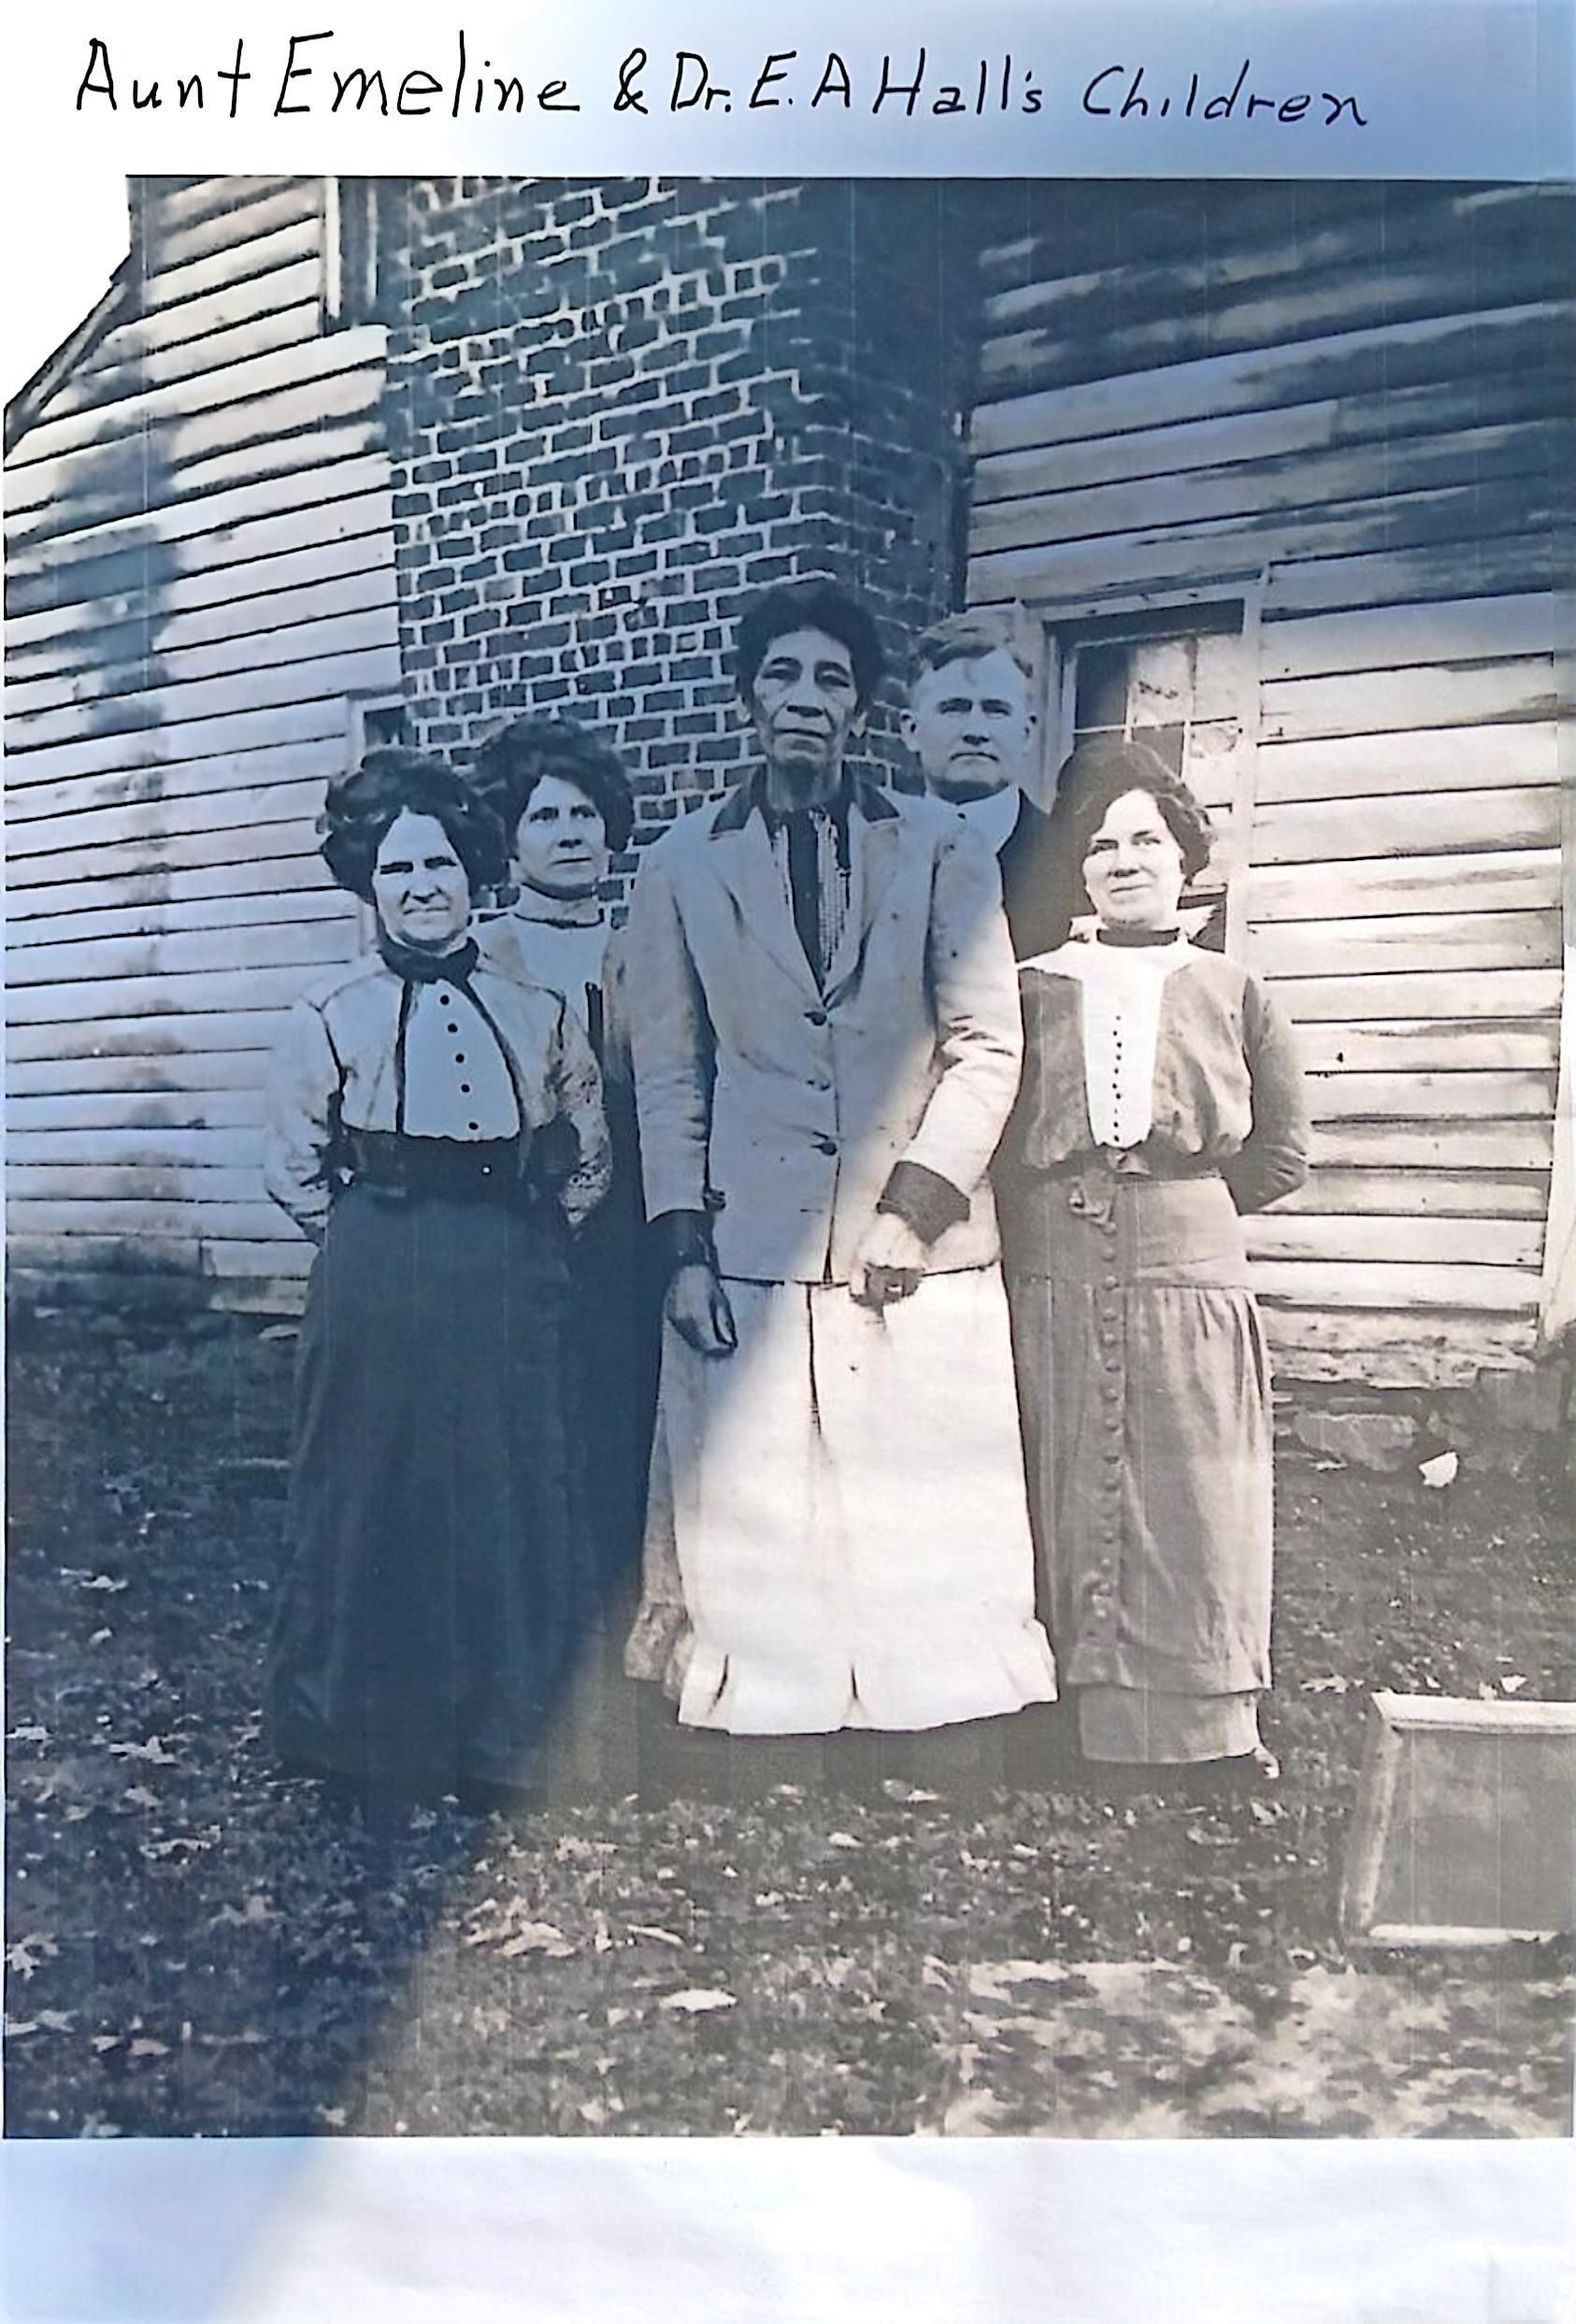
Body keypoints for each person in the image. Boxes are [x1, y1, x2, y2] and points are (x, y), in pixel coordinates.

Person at [623, 578, 1056, 1736]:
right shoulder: (680, 865)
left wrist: (915, 1206)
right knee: (765, 1499)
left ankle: (940, 1707)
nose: (807, 698)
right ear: (747, 698)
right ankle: (773, 1710)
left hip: (912, 1238)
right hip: (754, 1232)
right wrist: (685, 1248)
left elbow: (986, 1042)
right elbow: (669, 1072)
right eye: (783, 675)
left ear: (863, 708)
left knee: (922, 1495)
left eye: (832, 679)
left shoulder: (940, 847)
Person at [263, 749, 610, 1810]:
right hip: (378, 1265)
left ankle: (505, 1736)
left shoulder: (535, 1005)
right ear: (369, 884)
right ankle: (363, 1736)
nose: (423, 887)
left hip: (505, 1259)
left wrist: (527, 1241)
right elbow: (293, 1164)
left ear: (475, 874)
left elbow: (586, 1149)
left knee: (510, 1486)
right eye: (400, 869)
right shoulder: (329, 1010)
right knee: (372, 1486)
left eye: (442, 865)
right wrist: (371, 1238)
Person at [996, 739, 1309, 1781]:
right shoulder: (1031, 987)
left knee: (1194, 1492)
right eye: (1100, 846)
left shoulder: (1234, 988)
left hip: (1189, 1270)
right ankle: (1063, 1727)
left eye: (1145, 840)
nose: (1124, 861)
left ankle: (1200, 1728)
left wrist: (1176, 1211)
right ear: (1077, 870)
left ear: (1184, 857)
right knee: (1058, 1471)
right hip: (1054, 1264)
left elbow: (1282, 1152)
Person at [470, 715, 657, 1601]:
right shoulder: (482, 961)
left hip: (638, 1224)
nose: (571, 833)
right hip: (527, 1220)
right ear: (511, 842)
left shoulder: (648, 945)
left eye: (585, 815)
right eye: (544, 817)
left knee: (627, 1418)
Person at [901, 610, 1072, 959]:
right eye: (954, 708)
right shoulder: (868, 857)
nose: (976, 731)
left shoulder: (1075, 860)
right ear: (911, 730)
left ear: (1027, 732)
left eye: (996, 710)